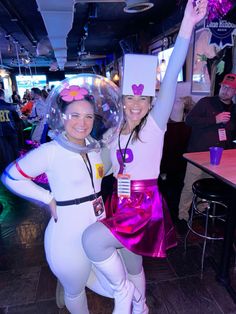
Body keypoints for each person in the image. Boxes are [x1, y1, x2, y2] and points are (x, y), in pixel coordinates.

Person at [81, 1, 208, 314]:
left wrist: (188, 25)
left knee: (92, 241)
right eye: (129, 98)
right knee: (131, 262)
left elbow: (170, 80)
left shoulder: (155, 124)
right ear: (122, 100)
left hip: (142, 205)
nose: (135, 104)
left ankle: (123, 294)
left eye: (142, 98)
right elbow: (106, 169)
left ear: (152, 101)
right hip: (120, 202)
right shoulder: (115, 131)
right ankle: (141, 306)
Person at [1, 82, 120, 314]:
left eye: (88, 116)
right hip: (67, 237)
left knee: (109, 282)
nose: (82, 122)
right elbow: (10, 177)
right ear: (62, 117)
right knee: (75, 291)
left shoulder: (93, 148)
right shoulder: (51, 151)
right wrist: (46, 197)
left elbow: (95, 176)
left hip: (97, 228)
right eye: (74, 115)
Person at [178, 73, 236, 223]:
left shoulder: (234, 110)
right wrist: (214, 120)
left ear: (235, 92)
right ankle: (182, 215)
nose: (226, 90)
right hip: (197, 154)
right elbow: (189, 120)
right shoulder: (206, 102)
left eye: (230, 88)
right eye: (224, 86)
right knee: (190, 184)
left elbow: (231, 133)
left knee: (209, 183)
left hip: (218, 156)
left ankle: (202, 210)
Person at [0, 88, 21, 172]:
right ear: (3, 95)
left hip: (1, 133)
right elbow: (17, 119)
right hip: (11, 130)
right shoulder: (10, 106)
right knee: (15, 149)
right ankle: (17, 169)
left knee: (4, 152)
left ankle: (7, 170)